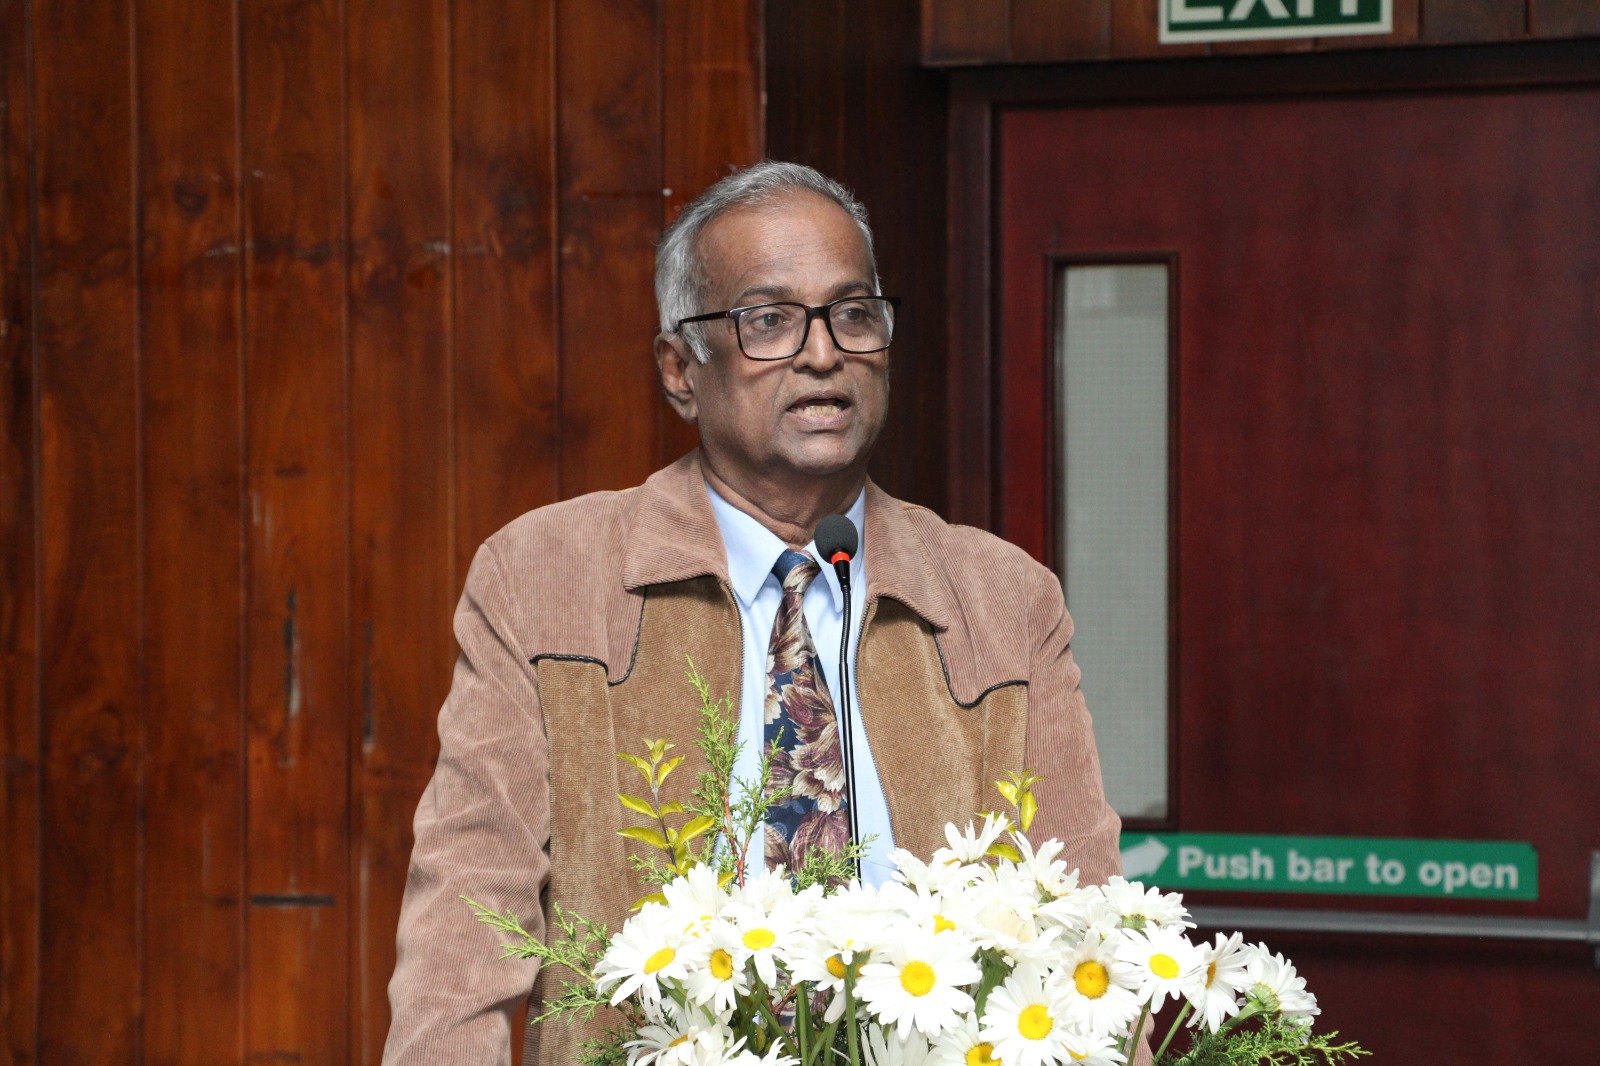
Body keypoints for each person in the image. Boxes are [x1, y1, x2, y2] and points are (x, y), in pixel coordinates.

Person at [382, 161, 1127, 1066]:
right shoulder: (544, 578)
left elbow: (1089, 932)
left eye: (853, 314)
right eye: (769, 319)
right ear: (679, 369)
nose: (823, 353)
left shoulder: (1003, 599)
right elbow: (465, 926)